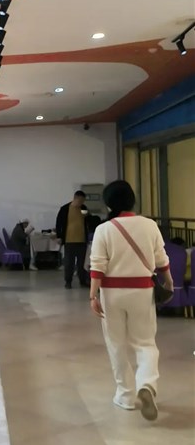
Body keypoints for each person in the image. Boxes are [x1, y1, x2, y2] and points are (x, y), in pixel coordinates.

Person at [89, 180, 173, 421]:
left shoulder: (103, 229)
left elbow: (98, 266)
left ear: (108, 204)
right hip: (142, 291)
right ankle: (146, 384)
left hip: (111, 293)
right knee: (145, 342)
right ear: (132, 200)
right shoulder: (149, 225)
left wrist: (93, 295)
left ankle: (125, 396)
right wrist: (168, 282)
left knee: (116, 343)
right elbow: (161, 259)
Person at [56, 190, 90, 289]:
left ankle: (82, 280)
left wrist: (87, 216)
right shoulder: (65, 209)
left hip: (82, 240)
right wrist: (59, 236)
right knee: (69, 263)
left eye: (83, 201)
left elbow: (89, 221)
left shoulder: (83, 208)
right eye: (80, 201)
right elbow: (59, 223)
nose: (81, 203)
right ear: (75, 198)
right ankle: (68, 281)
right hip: (69, 240)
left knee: (81, 263)